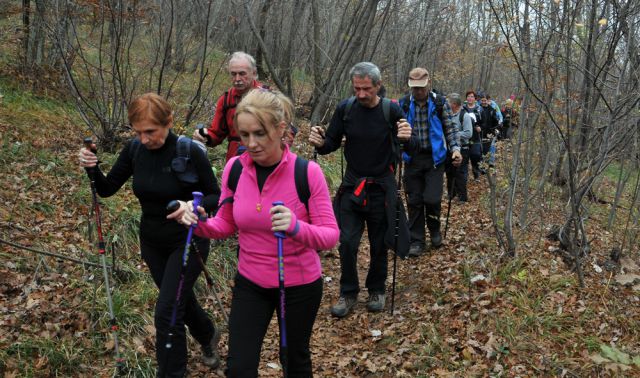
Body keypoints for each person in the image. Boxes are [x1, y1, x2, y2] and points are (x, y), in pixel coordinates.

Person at [171, 89, 339, 377]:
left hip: (297, 285)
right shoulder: (235, 169)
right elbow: (224, 224)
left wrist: (295, 226)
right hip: (251, 282)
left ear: (280, 129)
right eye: (244, 135)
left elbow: (330, 235)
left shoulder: (306, 173)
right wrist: (197, 222)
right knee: (239, 367)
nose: (251, 143)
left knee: (294, 362)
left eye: (259, 133)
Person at [78, 93, 221, 377]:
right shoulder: (134, 150)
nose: (144, 138)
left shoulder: (188, 151)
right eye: (138, 132)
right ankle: (207, 334)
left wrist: (191, 205)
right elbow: (106, 189)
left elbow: (216, 195)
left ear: (168, 122)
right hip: (152, 242)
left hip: (188, 240)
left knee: (167, 311)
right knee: (177, 300)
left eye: (150, 132)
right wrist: (92, 167)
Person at [309, 62, 412, 317]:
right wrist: (320, 142)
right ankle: (348, 292)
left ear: (378, 86)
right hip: (352, 187)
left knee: (379, 244)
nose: (362, 94)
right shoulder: (346, 109)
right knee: (347, 243)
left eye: (367, 89)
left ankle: (376, 289)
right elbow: (330, 143)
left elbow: (409, 144)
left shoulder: (391, 110)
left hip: (381, 187)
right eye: (357, 89)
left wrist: (408, 137)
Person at [399, 68, 462, 258]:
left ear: (429, 83)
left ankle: (434, 228)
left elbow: (450, 130)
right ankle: (417, 240)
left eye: (421, 87)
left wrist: (456, 149)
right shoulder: (403, 104)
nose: (417, 91)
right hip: (412, 159)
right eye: (414, 88)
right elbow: (394, 130)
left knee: (432, 199)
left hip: (435, 159)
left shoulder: (440, 103)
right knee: (414, 200)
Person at [192, 51, 267, 161]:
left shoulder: (267, 97)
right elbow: (216, 134)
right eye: (233, 74)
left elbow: (287, 131)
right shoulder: (226, 100)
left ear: (254, 73)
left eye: (242, 74)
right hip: (235, 161)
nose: (237, 79)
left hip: (263, 160)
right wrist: (204, 136)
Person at [445, 93, 473, 203]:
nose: (447, 105)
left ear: (454, 104)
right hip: (450, 149)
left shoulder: (465, 116)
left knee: (460, 173)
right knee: (449, 172)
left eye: (449, 102)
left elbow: (469, 133)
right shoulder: (448, 115)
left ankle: (462, 197)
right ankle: (451, 194)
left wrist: (454, 134)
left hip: (463, 149)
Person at [463, 90, 484, 179]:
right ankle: (464, 176)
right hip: (464, 137)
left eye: (472, 96)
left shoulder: (479, 109)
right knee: (464, 157)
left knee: (475, 156)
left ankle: (476, 174)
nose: (470, 98)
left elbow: (484, 123)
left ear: (475, 99)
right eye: (468, 96)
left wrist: (480, 128)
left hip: (476, 137)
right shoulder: (462, 108)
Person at [478, 92, 500, 167]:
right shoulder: (478, 109)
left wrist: (495, 129)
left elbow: (496, 121)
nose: (484, 102)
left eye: (485, 100)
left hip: (490, 132)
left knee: (489, 148)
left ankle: (488, 163)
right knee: (481, 149)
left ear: (488, 101)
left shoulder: (492, 110)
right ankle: (482, 165)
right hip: (480, 132)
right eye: (482, 100)